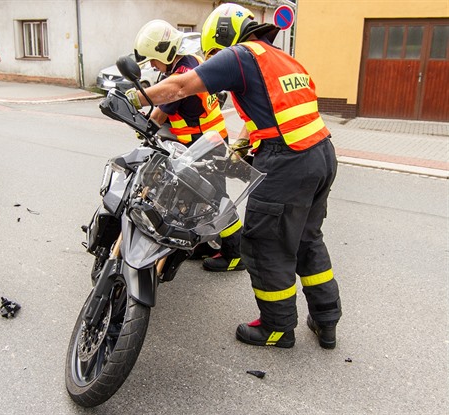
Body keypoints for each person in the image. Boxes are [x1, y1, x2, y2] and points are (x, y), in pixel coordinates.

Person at [127, 3, 342, 349]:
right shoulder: (281, 58)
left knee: (266, 244)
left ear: (223, 39)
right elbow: (273, 112)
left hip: (288, 161)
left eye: (213, 54)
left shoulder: (240, 55)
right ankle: (326, 319)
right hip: (321, 153)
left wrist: (133, 97)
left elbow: (181, 86)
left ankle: (276, 328)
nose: (213, 62)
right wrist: (243, 145)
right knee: (307, 240)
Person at [130, 19, 245, 273]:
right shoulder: (188, 62)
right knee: (199, 198)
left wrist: (140, 126)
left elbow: (159, 114)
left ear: (164, 51)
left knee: (216, 199)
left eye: (152, 59)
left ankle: (236, 254)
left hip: (206, 145)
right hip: (203, 142)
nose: (151, 65)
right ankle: (208, 244)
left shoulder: (181, 75)